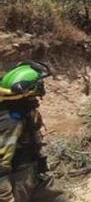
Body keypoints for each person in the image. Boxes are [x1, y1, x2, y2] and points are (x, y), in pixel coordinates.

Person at [0, 61, 66, 202]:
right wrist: (6, 197)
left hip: (34, 176)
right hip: (18, 181)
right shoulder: (11, 120)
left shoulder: (25, 112)